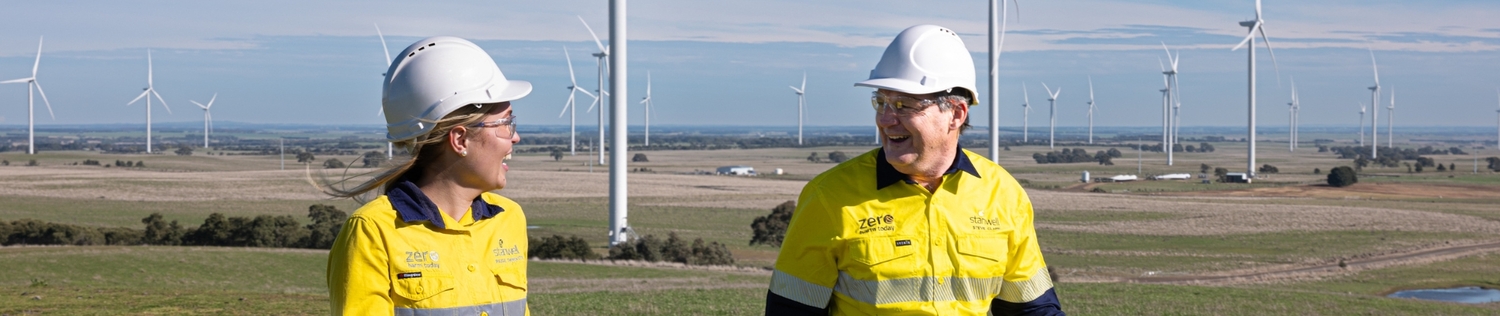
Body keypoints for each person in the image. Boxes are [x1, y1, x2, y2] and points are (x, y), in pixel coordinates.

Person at [765, 25, 1065, 315]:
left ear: (956, 114)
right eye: (881, 103)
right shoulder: (829, 197)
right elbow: (791, 310)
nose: (885, 119)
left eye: (904, 105)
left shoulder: (1002, 193)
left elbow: (1031, 309)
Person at [323, 36, 533, 316]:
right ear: (460, 140)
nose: (515, 138)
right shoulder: (373, 230)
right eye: (506, 123)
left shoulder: (509, 219)